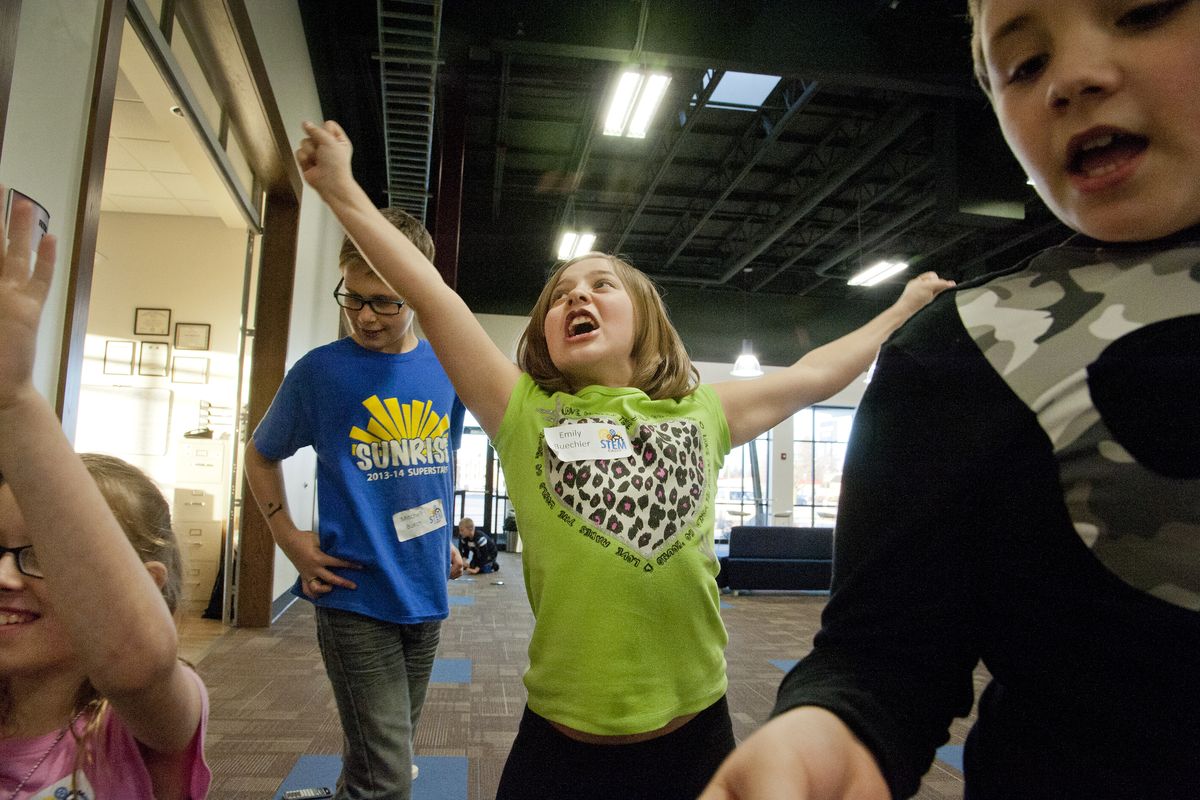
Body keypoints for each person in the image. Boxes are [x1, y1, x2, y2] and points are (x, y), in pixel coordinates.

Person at [294, 118, 952, 800]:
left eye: (601, 284)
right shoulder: (524, 414)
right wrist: (343, 193)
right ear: (545, 337)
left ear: (645, 317)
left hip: (696, 734)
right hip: (559, 743)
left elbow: (819, 372)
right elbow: (430, 295)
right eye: (559, 295)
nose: (576, 294)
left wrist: (900, 309)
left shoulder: (704, 413)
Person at [700, 1, 1200, 798]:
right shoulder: (963, 350)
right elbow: (883, 655)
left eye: (1140, 12)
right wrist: (828, 736)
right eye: (1024, 66)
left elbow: (805, 381)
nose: (1070, 79)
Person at [243, 206, 466, 799]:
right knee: (389, 778)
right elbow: (260, 456)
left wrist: (444, 537)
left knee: (381, 753)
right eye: (353, 297)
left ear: (418, 288)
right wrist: (290, 539)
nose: (364, 316)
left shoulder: (449, 366)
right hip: (354, 597)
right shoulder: (320, 373)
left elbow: (438, 462)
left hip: (426, 592)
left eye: (385, 301)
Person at [0, 193, 211, 796]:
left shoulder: (138, 726)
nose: (5, 577)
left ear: (142, 587)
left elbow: (136, 657)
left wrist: (15, 402)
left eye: (40, 556)